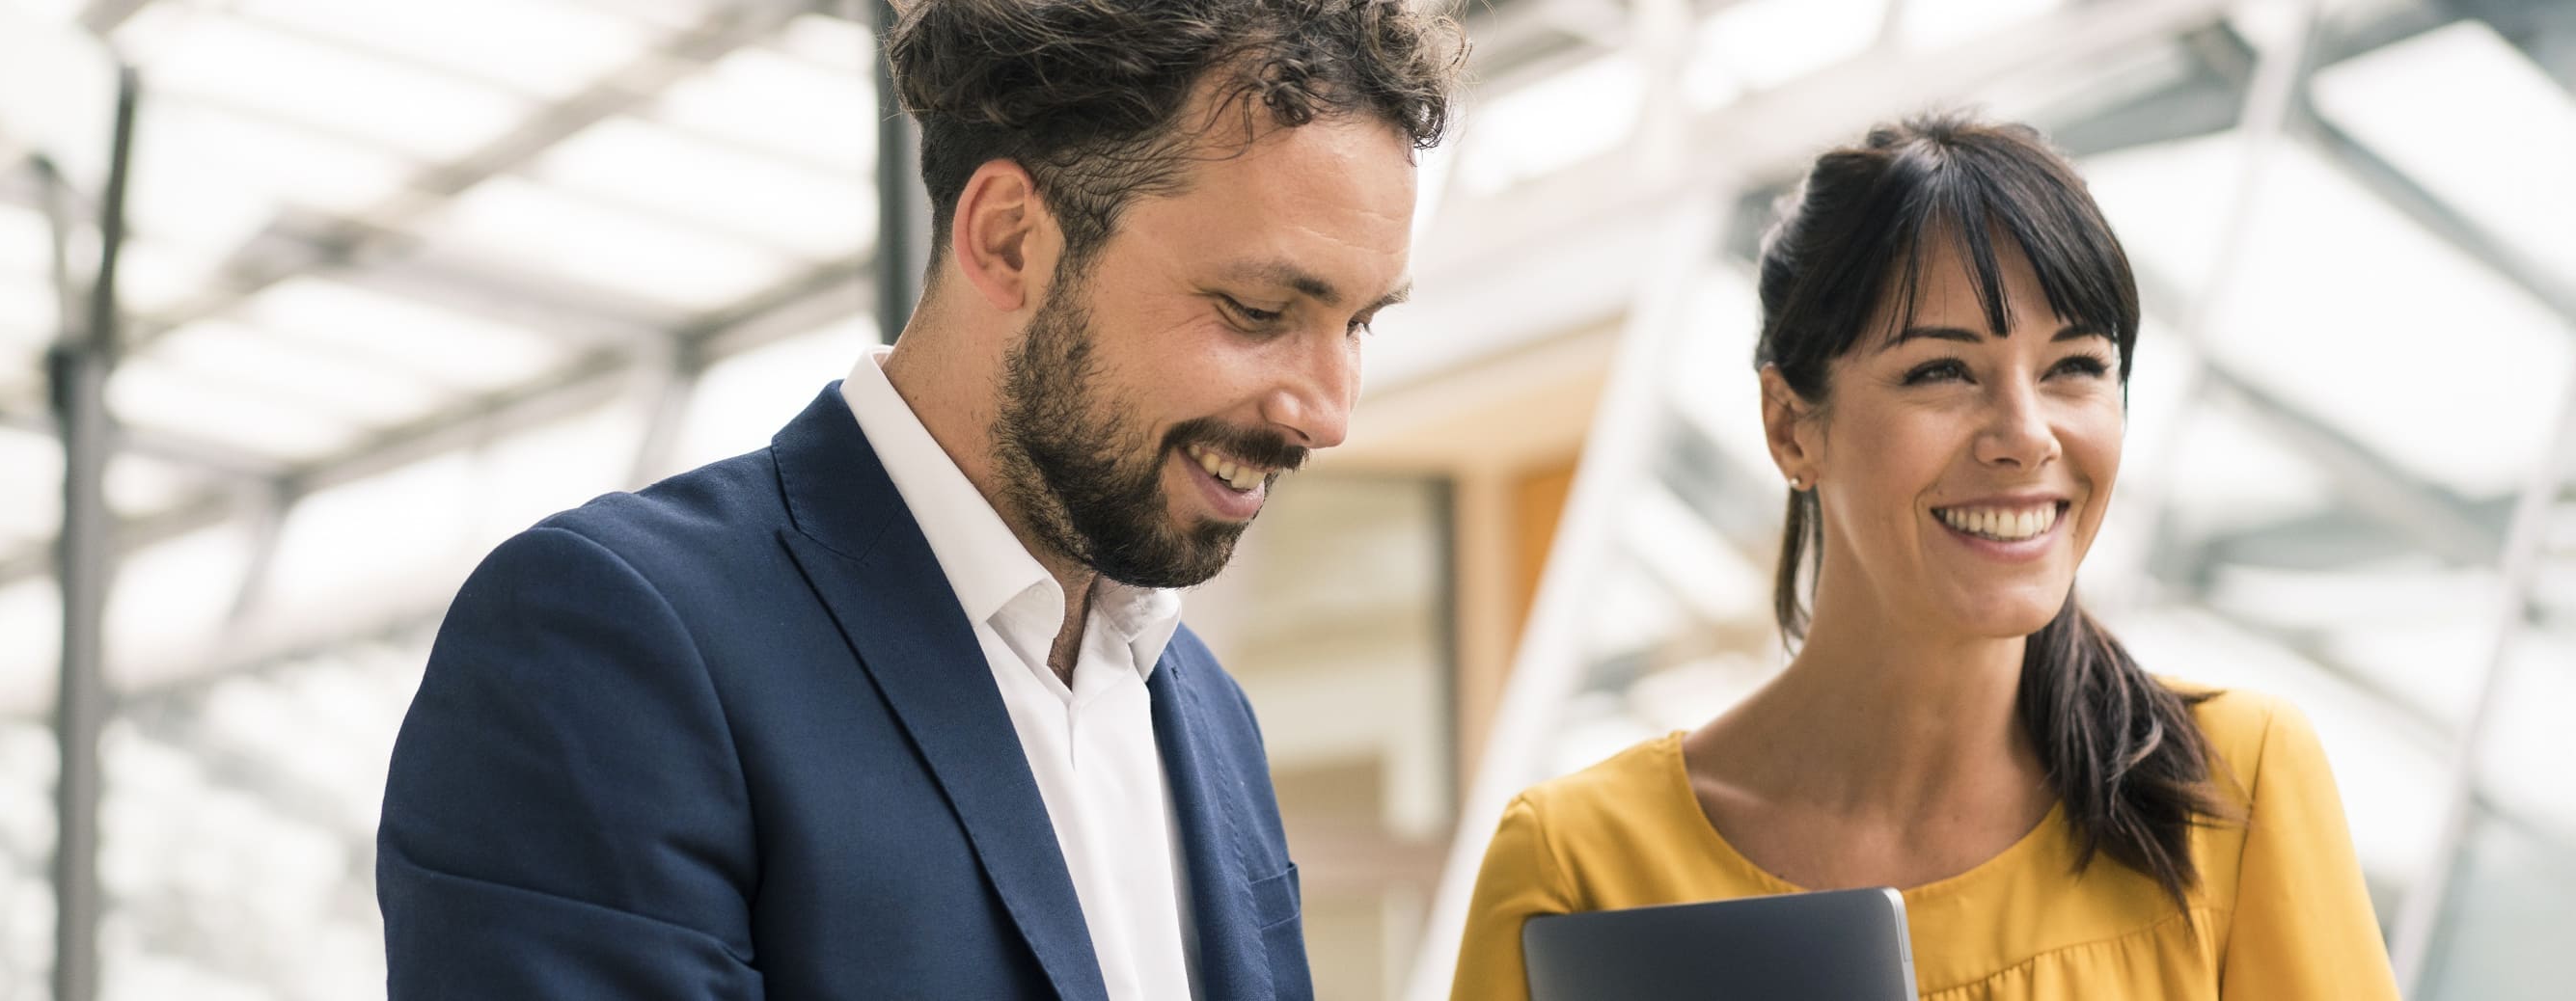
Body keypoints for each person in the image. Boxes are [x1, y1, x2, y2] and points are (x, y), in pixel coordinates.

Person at [375, 1, 1462, 997]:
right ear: (1008, 239)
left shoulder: (1208, 713)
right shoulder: (615, 646)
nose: (1329, 413)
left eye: (1360, 323)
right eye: (1258, 309)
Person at [1445, 113, 2398, 999]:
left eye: (2075, 367)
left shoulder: (2232, 789)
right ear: (1790, 426)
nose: (2025, 436)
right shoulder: (1582, 865)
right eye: (1942, 371)